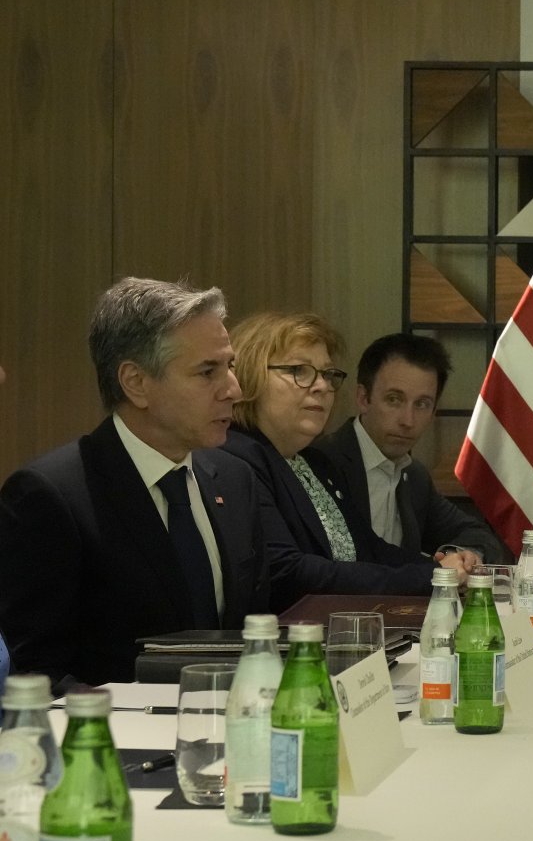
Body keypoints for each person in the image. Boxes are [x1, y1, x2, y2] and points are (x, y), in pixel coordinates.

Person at [0, 278, 271, 684]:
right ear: (136, 383)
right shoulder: (51, 495)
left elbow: (255, 630)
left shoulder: (235, 479)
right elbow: (38, 674)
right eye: (207, 371)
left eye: (229, 366)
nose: (234, 388)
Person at [221, 312, 471, 610]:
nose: (322, 386)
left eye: (327, 374)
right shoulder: (235, 460)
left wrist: (446, 564)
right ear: (250, 375)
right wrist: (430, 576)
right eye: (300, 370)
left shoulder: (314, 463)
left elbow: (368, 548)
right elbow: (288, 572)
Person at [313, 333, 506, 565]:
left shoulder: (414, 477)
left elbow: (479, 536)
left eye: (422, 404)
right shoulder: (320, 462)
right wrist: (428, 571)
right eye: (394, 400)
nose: (408, 420)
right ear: (363, 398)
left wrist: (466, 556)